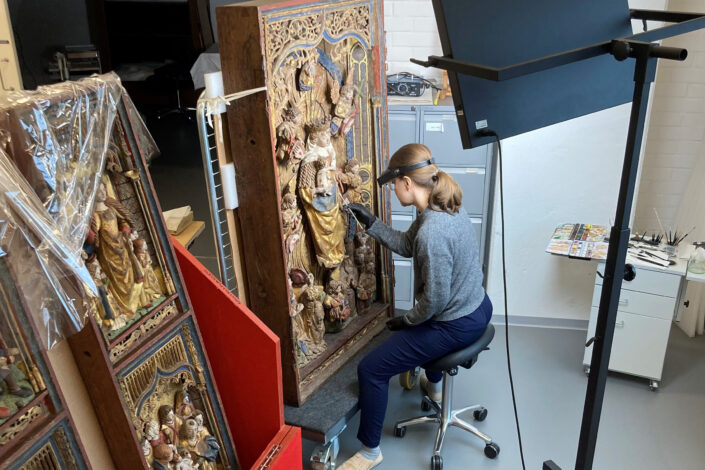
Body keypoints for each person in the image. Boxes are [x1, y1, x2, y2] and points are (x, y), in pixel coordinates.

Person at [340, 143, 492, 470]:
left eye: (394, 184)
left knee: (372, 369)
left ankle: (370, 451)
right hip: (477, 306)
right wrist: (372, 223)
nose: (393, 190)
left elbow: (434, 303)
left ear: (407, 182)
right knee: (421, 327)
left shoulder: (432, 232)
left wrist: (406, 321)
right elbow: (407, 244)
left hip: (456, 321)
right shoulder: (443, 205)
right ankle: (434, 389)